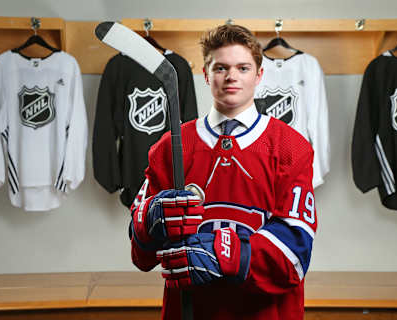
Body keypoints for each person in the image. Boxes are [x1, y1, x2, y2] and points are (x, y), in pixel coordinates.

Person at [129, 24, 317, 320]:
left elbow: (294, 253)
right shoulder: (171, 146)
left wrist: (224, 253)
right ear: (205, 74)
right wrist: (150, 219)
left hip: (266, 313)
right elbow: (141, 254)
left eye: (243, 68)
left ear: (259, 75)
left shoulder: (290, 147)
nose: (231, 77)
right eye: (221, 68)